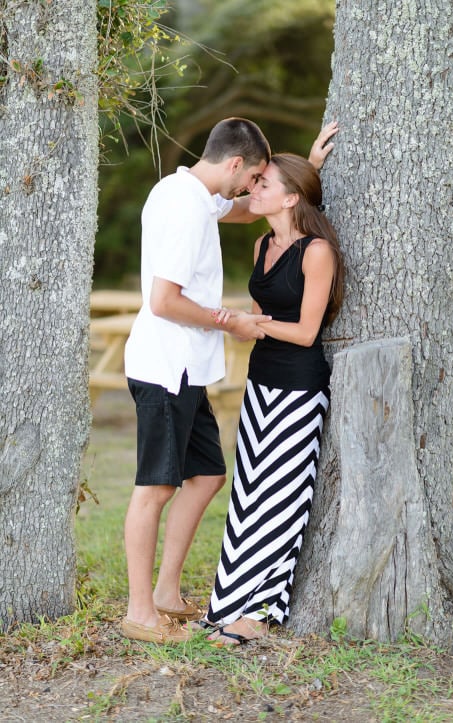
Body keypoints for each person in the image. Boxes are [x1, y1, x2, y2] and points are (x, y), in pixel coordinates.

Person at [119, 118, 274, 643]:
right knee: (155, 488)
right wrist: (233, 322)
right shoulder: (186, 209)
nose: (251, 190)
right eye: (252, 178)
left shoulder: (185, 188)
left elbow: (236, 209)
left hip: (188, 370)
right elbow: (165, 302)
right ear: (234, 164)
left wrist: (306, 173)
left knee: (206, 475)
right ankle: (140, 613)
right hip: (166, 366)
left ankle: (165, 593)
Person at [200, 153, 346, 647]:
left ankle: (259, 614)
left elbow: (306, 332)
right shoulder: (263, 243)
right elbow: (265, 317)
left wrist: (252, 324)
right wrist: (249, 323)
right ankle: (228, 603)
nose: (251, 189)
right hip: (259, 381)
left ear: (290, 197)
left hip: (301, 388)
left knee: (282, 501)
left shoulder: (317, 251)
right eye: (253, 180)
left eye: (262, 184)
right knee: (249, 495)